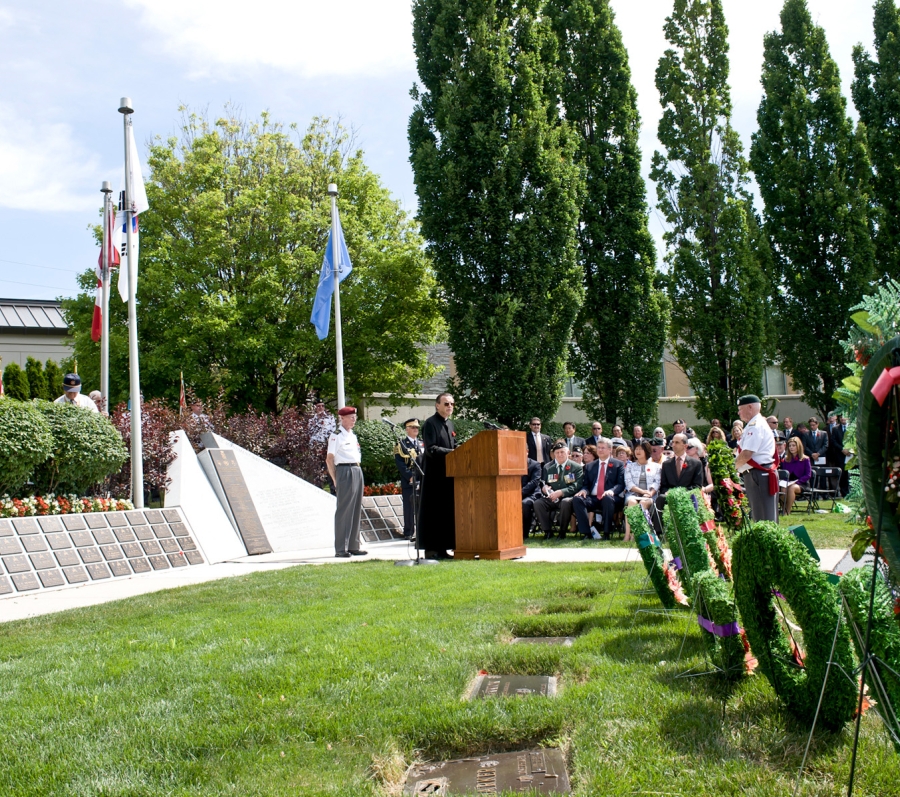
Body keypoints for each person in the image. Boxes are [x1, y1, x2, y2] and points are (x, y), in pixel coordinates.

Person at [419, 393, 457, 559]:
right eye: (446, 403)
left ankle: (443, 548)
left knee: (446, 512)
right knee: (434, 512)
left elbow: (454, 446)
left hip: (449, 475)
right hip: (434, 477)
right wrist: (452, 452)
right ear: (437, 405)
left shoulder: (451, 424)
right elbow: (431, 449)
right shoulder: (430, 423)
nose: (450, 406)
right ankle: (431, 549)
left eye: (452, 404)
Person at [326, 407, 367, 559]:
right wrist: (335, 479)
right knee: (344, 510)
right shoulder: (336, 436)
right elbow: (329, 459)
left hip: (356, 469)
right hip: (344, 470)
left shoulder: (352, 435)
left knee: (356, 508)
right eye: (350, 417)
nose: (353, 419)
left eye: (354, 417)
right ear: (342, 418)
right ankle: (341, 548)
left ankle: (353, 545)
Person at [734, 394, 778, 522]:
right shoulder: (754, 424)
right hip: (756, 472)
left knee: (763, 515)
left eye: (740, 409)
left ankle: (767, 540)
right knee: (760, 513)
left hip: (759, 473)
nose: (738, 413)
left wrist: (733, 468)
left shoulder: (755, 425)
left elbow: (747, 453)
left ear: (749, 407)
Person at [573, 437, 626, 540]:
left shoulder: (617, 464)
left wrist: (611, 491)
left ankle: (606, 532)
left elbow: (620, 484)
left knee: (607, 499)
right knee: (577, 499)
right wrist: (584, 490)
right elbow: (586, 484)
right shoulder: (590, 466)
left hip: (611, 497)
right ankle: (587, 532)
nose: (600, 450)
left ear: (610, 450)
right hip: (593, 498)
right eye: (599, 448)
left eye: (603, 448)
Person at [534, 441, 583, 539]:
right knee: (538, 503)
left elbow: (577, 485)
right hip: (552, 498)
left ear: (568, 452)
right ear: (553, 454)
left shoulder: (576, 467)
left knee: (565, 502)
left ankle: (562, 531)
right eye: (557, 453)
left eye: (562, 452)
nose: (560, 455)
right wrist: (545, 489)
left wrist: (561, 492)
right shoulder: (549, 468)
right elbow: (544, 483)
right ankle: (547, 531)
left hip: (568, 497)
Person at [623, 441, 661, 541]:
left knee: (643, 503)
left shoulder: (656, 467)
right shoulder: (630, 466)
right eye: (636, 449)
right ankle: (627, 535)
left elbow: (657, 482)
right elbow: (629, 483)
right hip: (633, 494)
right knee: (632, 502)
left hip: (649, 496)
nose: (638, 451)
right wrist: (642, 491)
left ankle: (637, 534)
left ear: (647, 451)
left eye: (641, 449)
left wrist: (650, 493)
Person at [656, 433, 704, 513]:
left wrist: (679, 493)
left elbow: (697, 486)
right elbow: (663, 486)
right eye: (673, 442)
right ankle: (659, 525)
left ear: (685, 446)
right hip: (669, 497)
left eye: (677, 442)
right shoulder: (666, 464)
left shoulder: (696, 464)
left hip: (687, 496)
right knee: (661, 498)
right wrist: (669, 493)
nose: (673, 445)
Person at [394, 418, 424, 540]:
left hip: (421, 478)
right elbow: (400, 463)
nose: (415, 429)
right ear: (407, 430)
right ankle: (409, 532)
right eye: (412, 427)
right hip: (409, 479)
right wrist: (410, 477)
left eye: (417, 427)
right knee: (409, 507)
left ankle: (421, 532)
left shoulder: (422, 443)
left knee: (421, 507)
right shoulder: (401, 444)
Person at [781, 436, 812, 515]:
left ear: (798, 446)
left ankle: (787, 511)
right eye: (790, 446)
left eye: (793, 445)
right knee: (783, 488)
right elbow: (784, 474)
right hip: (788, 482)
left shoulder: (805, 459)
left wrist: (797, 482)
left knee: (791, 488)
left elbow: (808, 475)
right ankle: (783, 509)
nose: (791, 448)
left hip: (801, 483)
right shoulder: (785, 460)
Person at [521, 455, 542, 539]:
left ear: (527, 452)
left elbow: (534, 482)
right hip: (514, 494)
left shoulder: (535, 464)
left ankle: (524, 534)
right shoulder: (512, 464)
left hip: (532, 494)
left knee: (525, 504)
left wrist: (520, 492)